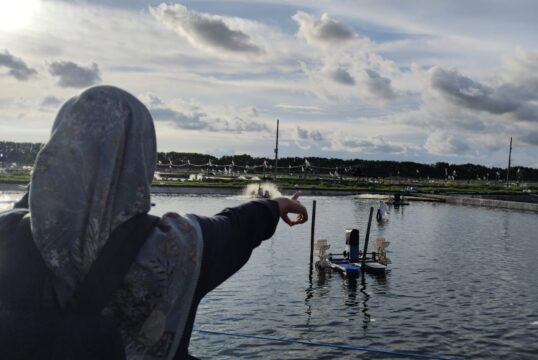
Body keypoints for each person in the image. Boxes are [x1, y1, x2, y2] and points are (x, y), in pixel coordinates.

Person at [0, 85, 308, 359]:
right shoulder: (175, 245)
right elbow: (236, 226)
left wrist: (51, 175)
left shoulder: (6, 233)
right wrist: (277, 204)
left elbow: (38, 202)